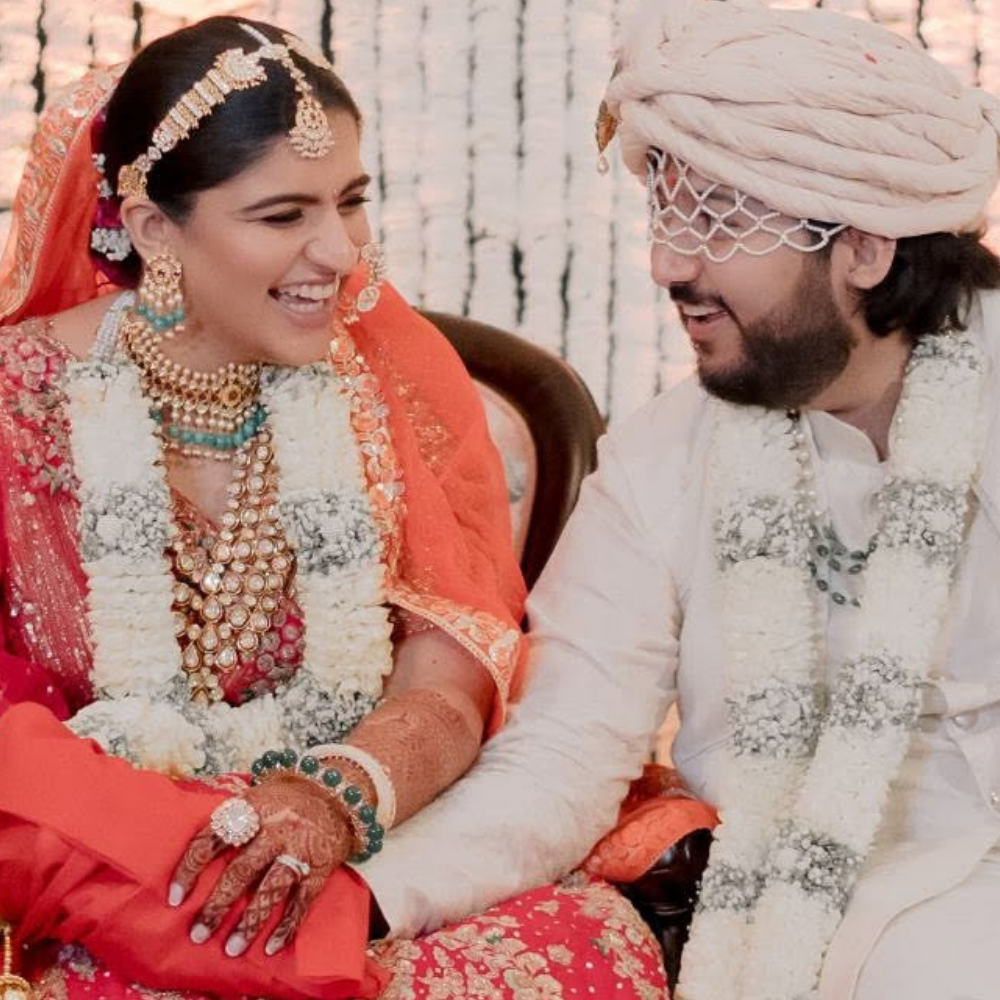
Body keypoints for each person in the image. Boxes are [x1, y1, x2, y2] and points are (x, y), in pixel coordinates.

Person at [0, 16, 668, 1000]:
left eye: (351, 203)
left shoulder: (393, 380)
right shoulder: (18, 402)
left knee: (573, 953)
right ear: (152, 230)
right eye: (281, 215)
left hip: (375, 827)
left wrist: (330, 798)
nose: (341, 252)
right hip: (126, 867)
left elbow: (453, 679)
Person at [344, 0, 1000, 998]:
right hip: (804, 922)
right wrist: (372, 897)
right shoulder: (663, 458)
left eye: (719, 221)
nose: (666, 263)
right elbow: (562, 751)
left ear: (865, 248)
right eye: (667, 212)